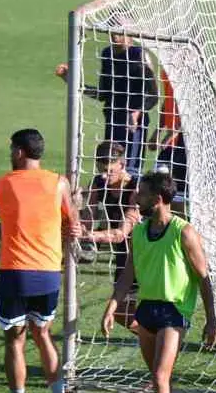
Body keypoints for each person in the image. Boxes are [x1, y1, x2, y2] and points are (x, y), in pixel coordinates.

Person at [102, 172, 216, 393]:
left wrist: (211, 320)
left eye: (142, 195)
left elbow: (204, 277)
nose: (136, 199)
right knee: (159, 382)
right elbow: (127, 275)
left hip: (174, 310)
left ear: (157, 199)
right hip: (145, 309)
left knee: (159, 377)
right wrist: (111, 308)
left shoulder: (184, 232)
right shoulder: (138, 232)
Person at [0, 128, 82, 393]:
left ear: (19, 152)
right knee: (43, 334)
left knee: (14, 341)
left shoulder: (4, 184)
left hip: (15, 273)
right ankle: (57, 390)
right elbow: (73, 221)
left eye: (12, 149)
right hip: (48, 273)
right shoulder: (59, 183)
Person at [55, 13, 158, 178]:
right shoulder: (107, 54)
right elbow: (103, 94)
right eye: (111, 29)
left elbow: (153, 96)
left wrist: (137, 112)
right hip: (112, 118)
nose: (114, 34)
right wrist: (72, 81)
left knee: (129, 171)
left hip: (133, 124)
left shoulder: (139, 55)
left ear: (129, 31)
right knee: (109, 166)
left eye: (118, 29)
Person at [76, 141, 143, 330]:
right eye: (102, 169)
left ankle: (162, 344)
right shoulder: (98, 183)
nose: (105, 175)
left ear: (122, 164)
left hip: (146, 254)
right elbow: (88, 216)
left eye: (110, 171)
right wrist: (76, 213)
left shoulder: (136, 188)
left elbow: (121, 233)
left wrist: (90, 236)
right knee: (121, 313)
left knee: (149, 310)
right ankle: (154, 343)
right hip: (125, 256)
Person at [150, 68, 188, 216]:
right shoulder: (167, 69)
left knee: (177, 192)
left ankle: (180, 228)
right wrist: (157, 133)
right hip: (170, 144)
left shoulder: (186, 72)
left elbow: (187, 107)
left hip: (183, 144)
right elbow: (168, 101)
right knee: (159, 183)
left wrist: (169, 136)